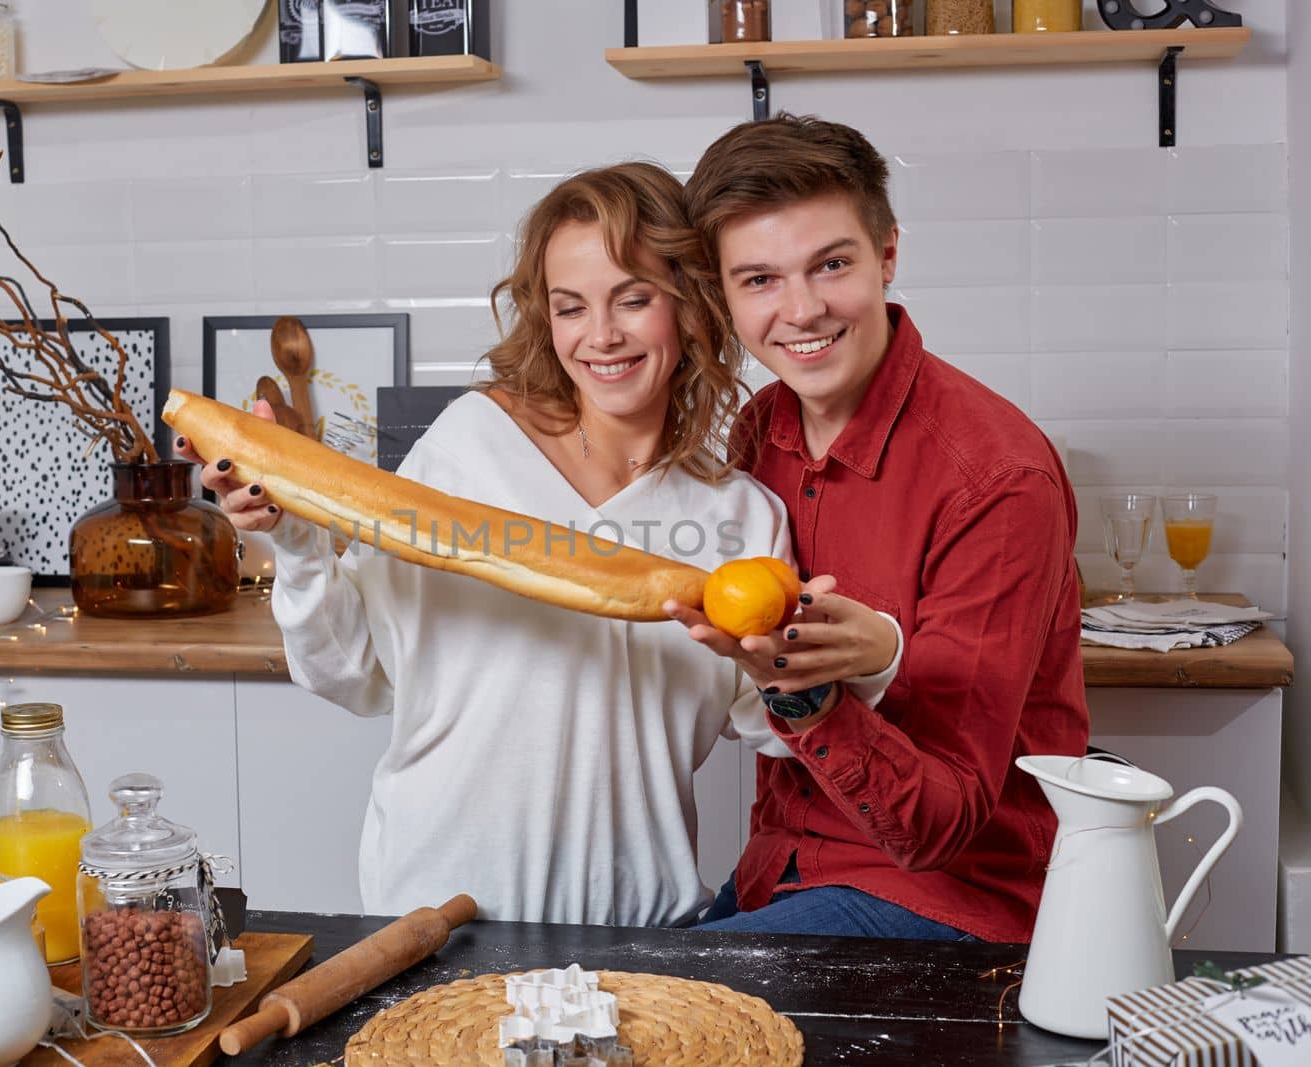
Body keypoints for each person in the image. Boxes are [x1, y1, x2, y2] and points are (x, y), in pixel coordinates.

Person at [176, 162, 899, 927]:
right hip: (436, 919)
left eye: (634, 298)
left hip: (646, 931)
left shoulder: (740, 516)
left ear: (690, 306)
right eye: (571, 306)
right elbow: (354, 673)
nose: (603, 335)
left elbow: (766, 724)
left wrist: (807, 664)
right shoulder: (467, 449)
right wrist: (295, 538)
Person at [667, 113, 1090, 942]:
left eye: (831, 264)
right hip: (783, 866)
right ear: (722, 292)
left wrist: (815, 687)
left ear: (887, 255)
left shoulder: (1000, 479)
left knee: (639, 1011)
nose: (801, 310)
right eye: (758, 279)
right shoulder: (761, 428)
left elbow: (944, 826)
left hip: (954, 898)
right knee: (597, 991)